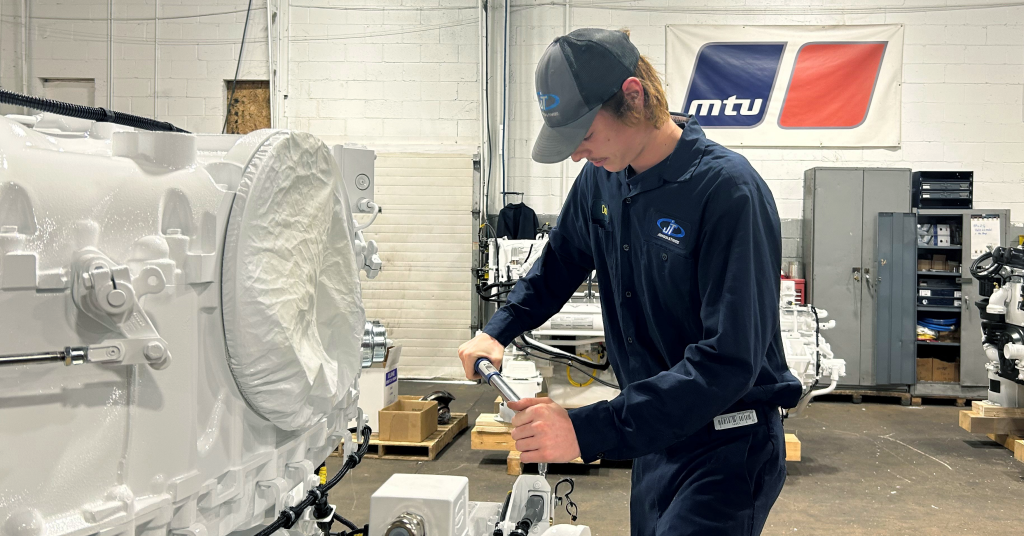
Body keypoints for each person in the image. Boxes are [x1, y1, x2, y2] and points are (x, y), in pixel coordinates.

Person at [458, 28, 801, 535]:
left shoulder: (727, 192)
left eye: (585, 135)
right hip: (656, 437)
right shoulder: (603, 178)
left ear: (634, 98)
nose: (576, 154)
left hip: (727, 445)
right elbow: (560, 264)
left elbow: (728, 362)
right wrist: (499, 328)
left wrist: (585, 428)